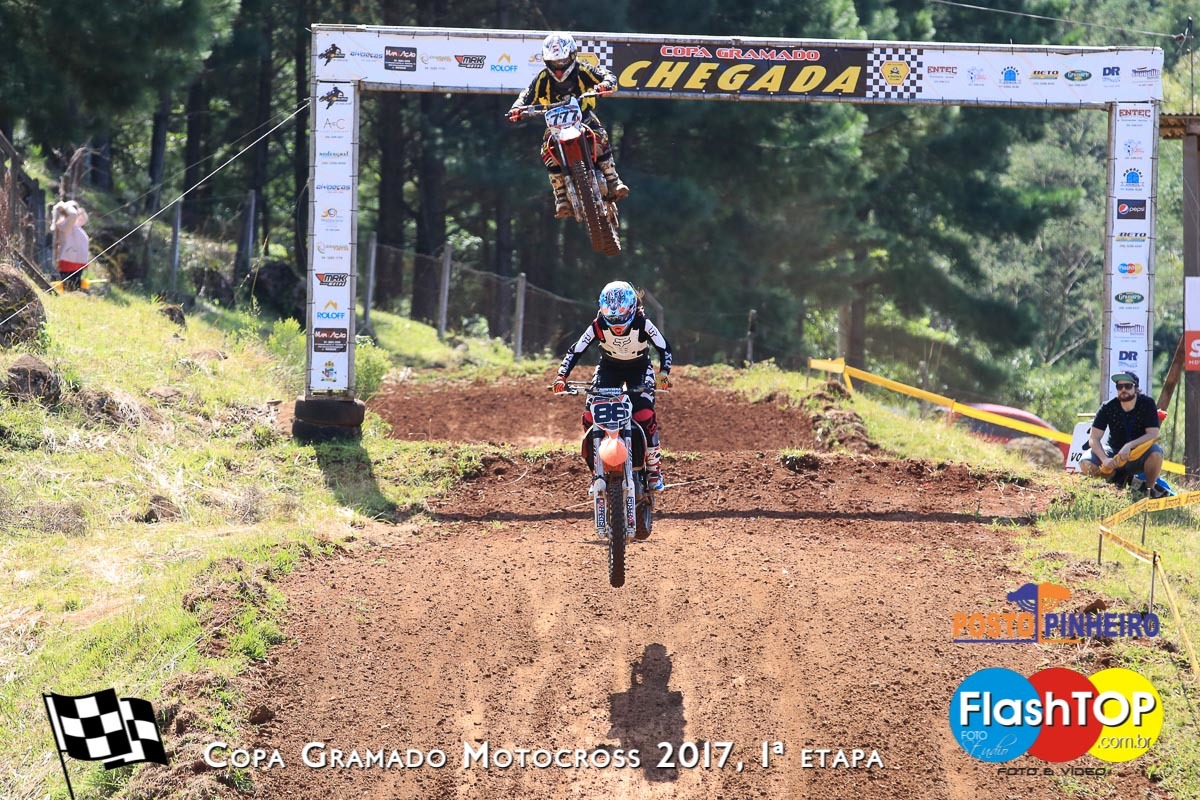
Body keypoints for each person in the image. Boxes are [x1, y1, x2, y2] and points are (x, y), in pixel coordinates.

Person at [553, 281, 672, 490]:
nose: (616, 324)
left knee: (644, 414)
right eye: (612, 318)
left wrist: (663, 373)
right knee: (591, 416)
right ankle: (596, 471)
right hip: (609, 367)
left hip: (639, 368)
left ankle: (654, 469)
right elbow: (576, 350)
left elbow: (664, 347)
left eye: (621, 318)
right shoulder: (598, 325)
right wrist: (561, 376)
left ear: (632, 309)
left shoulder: (643, 323)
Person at [507, 32, 629, 219]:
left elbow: (606, 75)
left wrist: (605, 84)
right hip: (555, 126)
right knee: (545, 150)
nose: (558, 67)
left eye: (562, 61)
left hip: (584, 118)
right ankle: (561, 197)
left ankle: (613, 179)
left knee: (599, 134)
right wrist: (517, 108)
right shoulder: (542, 78)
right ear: (547, 61)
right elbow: (526, 94)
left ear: (572, 56)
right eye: (554, 62)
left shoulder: (583, 70)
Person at [1079, 372, 1167, 498]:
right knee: (1085, 463)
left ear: (1136, 388)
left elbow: (1153, 434)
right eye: (1119, 387)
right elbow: (1093, 438)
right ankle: (1118, 479)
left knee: (1156, 453)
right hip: (1114, 452)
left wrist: (1129, 445)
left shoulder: (1147, 404)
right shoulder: (1107, 407)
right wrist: (1104, 459)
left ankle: (1149, 490)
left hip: (1139, 452)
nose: (1123, 390)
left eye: (1128, 386)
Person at [52, 200, 90, 289]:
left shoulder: (73, 223)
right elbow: (73, 214)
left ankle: (75, 296)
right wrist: (65, 206)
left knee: (75, 283)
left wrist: (80, 210)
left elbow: (84, 219)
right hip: (69, 258)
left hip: (77, 258)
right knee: (69, 284)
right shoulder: (64, 224)